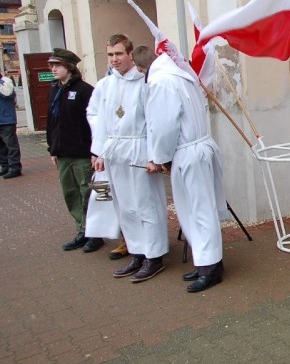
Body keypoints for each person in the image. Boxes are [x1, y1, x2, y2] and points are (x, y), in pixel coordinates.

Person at [134, 48, 227, 293]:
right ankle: (205, 261)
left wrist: (158, 157)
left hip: (188, 152)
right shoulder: (180, 75)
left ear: (141, 68)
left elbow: (164, 125)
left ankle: (211, 267)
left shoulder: (162, 81)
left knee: (199, 211)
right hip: (195, 149)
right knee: (195, 211)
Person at [88, 39, 169, 281]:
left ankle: (154, 256)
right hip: (115, 149)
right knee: (124, 206)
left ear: (130, 54)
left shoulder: (146, 81)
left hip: (139, 147)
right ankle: (137, 251)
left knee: (146, 204)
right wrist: (99, 151)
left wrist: (156, 155)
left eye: (119, 53)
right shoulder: (104, 85)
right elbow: (96, 116)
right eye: (110, 54)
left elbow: (156, 119)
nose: (115, 59)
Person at [46, 48, 104, 252]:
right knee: (70, 193)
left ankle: (95, 234)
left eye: (57, 65)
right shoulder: (54, 90)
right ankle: (82, 230)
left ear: (69, 67)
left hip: (81, 153)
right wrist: (52, 148)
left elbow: (93, 123)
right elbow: (52, 121)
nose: (53, 68)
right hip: (62, 152)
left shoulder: (84, 90)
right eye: (51, 65)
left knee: (88, 192)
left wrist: (94, 151)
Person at [0, 70, 22, 179]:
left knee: (10, 144)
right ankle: (5, 166)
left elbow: (7, 94)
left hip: (6, 119)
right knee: (1, 147)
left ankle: (15, 167)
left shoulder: (5, 82)